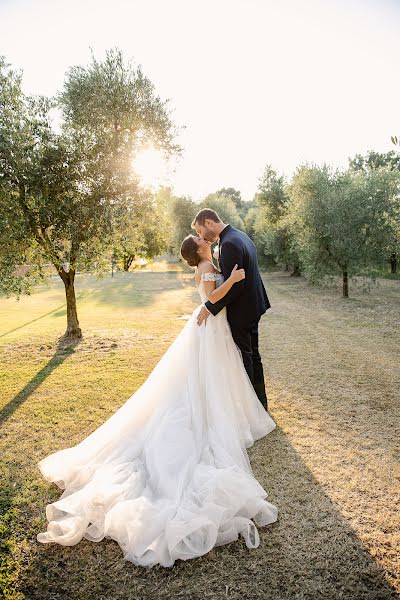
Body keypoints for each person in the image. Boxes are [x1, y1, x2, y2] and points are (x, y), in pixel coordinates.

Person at [36, 234, 278, 569]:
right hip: (209, 326)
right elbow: (212, 299)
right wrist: (234, 279)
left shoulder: (209, 262)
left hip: (212, 328)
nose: (207, 240)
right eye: (202, 239)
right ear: (199, 250)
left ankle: (216, 412)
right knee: (203, 380)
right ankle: (208, 416)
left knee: (216, 378)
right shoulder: (208, 265)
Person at [193, 208, 271, 410]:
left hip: (242, 310)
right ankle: (260, 404)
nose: (201, 236)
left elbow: (235, 286)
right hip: (253, 305)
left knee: (244, 357)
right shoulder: (239, 235)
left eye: (200, 231)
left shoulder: (228, 244)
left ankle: (252, 408)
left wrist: (209, 307)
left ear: (209, 222)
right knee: (253, 355)